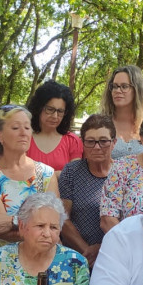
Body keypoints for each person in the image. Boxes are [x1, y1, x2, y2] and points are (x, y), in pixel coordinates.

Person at [0, 193, 89, 285]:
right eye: (40, 226)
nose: (47, 233)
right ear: (22, 226)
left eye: (53, 227)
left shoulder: (75, 262)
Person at [0, 105, 59, 252]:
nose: (23, 133)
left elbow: (54, 224)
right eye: (15, 128)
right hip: (1, 262)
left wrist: (12, 221)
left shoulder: (46, 174)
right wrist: (37, 226)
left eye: (27, 128)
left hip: (42, 260)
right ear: (0, 135)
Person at [58, 114, 115, 266]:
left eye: (103, 141)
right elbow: (63, 218)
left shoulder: (123, 173)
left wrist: (102, 250)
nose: (97, 147)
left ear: (113, 143)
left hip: (116, 256)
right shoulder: (72, 171)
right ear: (82, 143)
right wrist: (87, 252)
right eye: (90, 141)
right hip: (77, 256)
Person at [26, 80, 82, 172]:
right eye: (50, 109)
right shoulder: (25, 138)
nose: (55, 116)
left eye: (60, 111)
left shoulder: (72, 141)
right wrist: (59, 174)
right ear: (38, 108)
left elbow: (73, 178)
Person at [99, 65, 143, 159]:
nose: (118, 90)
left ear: (137, 90)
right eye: (114, 86)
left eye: (124, 86)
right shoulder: (99, 124)